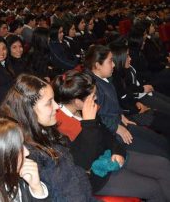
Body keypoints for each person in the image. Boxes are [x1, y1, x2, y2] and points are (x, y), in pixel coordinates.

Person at [52, 70, 170, 201]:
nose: (96, 98)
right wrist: (89, 123)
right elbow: (83, 163)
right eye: (92, 96)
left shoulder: (85, 108)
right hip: (98, 175)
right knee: (153, 188)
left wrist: (117, 151)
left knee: (164, 165)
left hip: (111, 155)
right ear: (77, 101)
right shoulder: (59, 125)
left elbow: (107, 134)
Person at [0, 74, 96, 202]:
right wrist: (90, 126)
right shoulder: (29, 154)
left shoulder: (46, 131)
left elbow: (76, 167)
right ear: (29, 111)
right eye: (49, 103)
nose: (57, 106)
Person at [84, 45, 170, 159]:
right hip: (115, 135)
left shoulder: (106, 78)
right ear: (97, 65)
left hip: (122, 121)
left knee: (161, 142)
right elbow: (97, 118)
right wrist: (117, 127)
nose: (114, 64)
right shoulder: (91, 87)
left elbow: (115, 104)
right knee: (161, 154)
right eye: (110, 61)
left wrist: (122, 115)